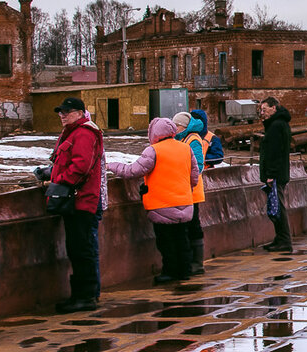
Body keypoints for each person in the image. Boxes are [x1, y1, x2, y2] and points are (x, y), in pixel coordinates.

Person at [107, 117, 198, 284]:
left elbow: (132, 171)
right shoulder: (186, 148)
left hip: (162, 204)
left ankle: (169, 272)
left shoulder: (154, 150)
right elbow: (194, 176)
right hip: (184, 202)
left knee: (166, 241)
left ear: (154, 132)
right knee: (182, 238)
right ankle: (184, 271)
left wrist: (111, 165)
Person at [46, 97, 104, 313]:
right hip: (76, 201)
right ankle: (81, 295)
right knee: (77, 249)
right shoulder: (72, 132)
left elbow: (81, 166)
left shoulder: (83, 133)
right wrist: (50, 174)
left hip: (81, 201)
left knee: (82, 250)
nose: (62, 115)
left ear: (80, 113)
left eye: (67, 111)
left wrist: (60, 182)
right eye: (61, 112)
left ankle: (85, 296)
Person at [172, 111, 207, 275]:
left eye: (176, 126)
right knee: (189, 224)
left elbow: (198, 165)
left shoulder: (193, 139)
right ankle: (192, 261)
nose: (174, 129)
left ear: (183, 126)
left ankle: (197, 263)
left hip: (192, 189)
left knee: (193, 224)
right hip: (184, 188)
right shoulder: (182, 138)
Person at [258, 97, 294, 252]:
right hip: (279, 173)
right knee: (277, 206)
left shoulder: (276, 126)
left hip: (276, 174)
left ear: (274, 108)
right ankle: (280, 238)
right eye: (261, 110)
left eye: (264, 110)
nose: (262, 113)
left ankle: (284, 240)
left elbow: (274, 153)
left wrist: (271, 174)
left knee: (278, 207)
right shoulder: (279, 124)